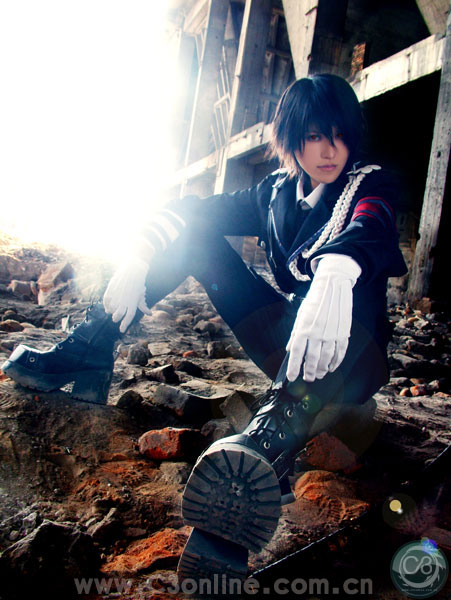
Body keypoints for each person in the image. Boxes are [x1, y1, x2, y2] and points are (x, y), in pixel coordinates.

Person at [2, 74, 407, 583]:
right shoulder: (274, 194)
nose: (330, 150)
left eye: (340, 135)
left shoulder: (370, 182)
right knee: (195, 240)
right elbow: (189, 212)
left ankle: (263, 451)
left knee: (308, 341)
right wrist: (139, 254)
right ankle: (91, 345)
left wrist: (340, 267)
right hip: (293, 343)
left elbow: (372, 220)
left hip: (354, 357)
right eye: (314, 137)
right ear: (291, 138)